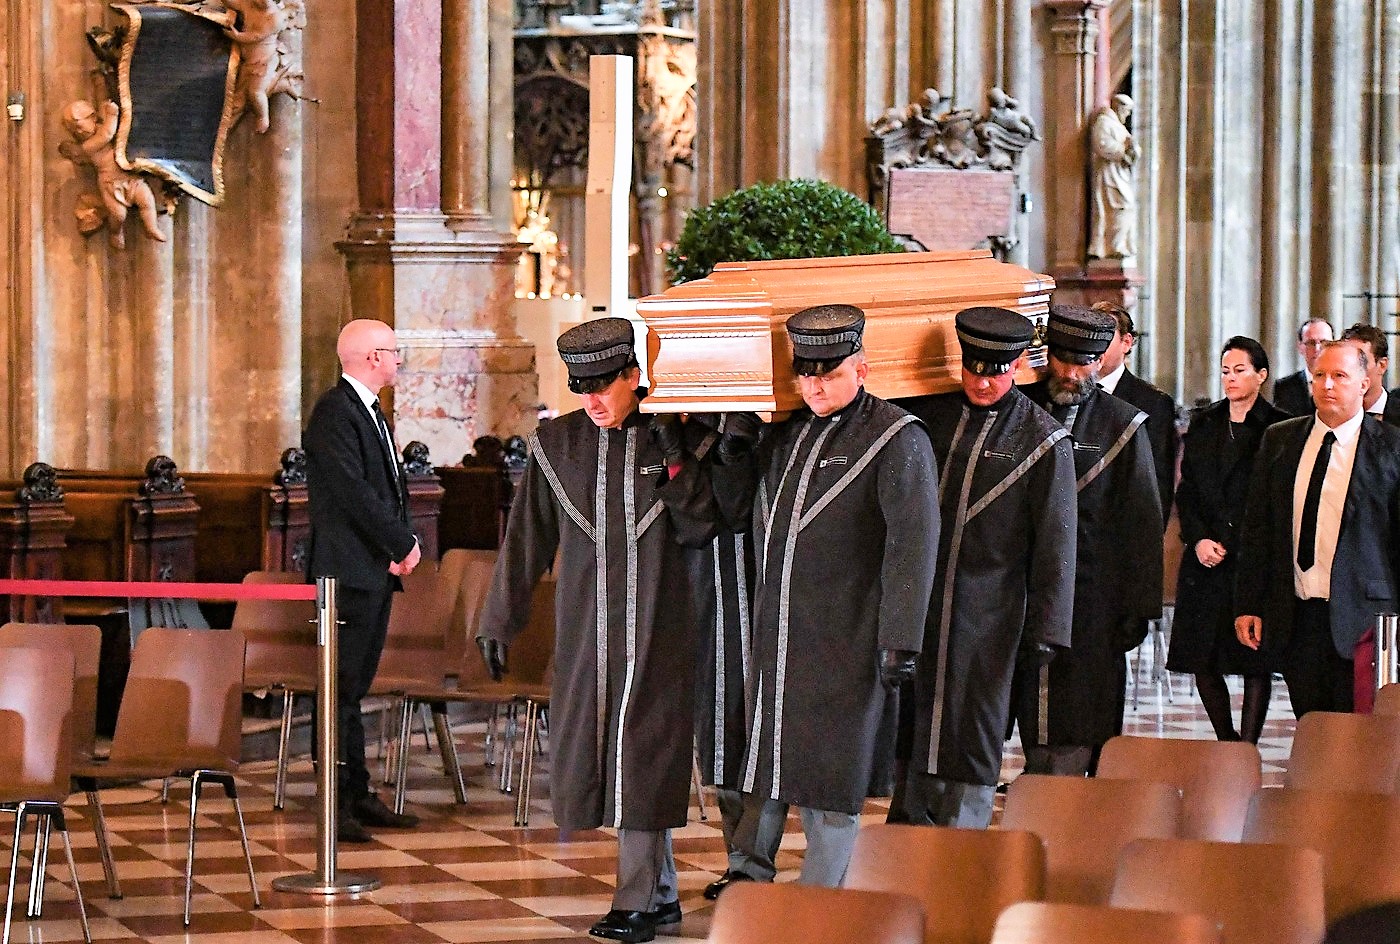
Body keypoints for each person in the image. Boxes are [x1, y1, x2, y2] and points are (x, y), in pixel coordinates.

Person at [475, 317, 717, 944]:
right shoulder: (558, 444)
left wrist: (674, 454)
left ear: (635, 377)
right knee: (598, 753)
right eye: (581, 387)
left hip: (664, 629)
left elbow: (700, 527)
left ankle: (634, 898)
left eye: (604, 386)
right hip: (587, 633)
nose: (593, 401)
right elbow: (526, 538)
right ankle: (660, 894)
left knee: (645, 755)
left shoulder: (679, 439)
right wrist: (500, 616)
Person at [709, 304, 939, 889]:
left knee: (832, 783)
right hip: (779, 641)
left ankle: (823, 902)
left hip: (849, 641)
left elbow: (913, 543)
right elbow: (736, 517)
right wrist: (734, 455)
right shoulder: (786, 436)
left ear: (861, 369)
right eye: (805, 373)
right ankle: (749, 881)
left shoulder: (897, 438)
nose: (814, 385)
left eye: (829, 373)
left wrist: (900, 638)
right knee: (767, 767)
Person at [895, 307, 1076, 826]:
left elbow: (1055, 545)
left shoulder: (1043, 441)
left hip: (990, 615)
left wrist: (1048, 628)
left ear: (1018, 365)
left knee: (972, 728)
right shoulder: (930, 417)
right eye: (972, 368)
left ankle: (963, 842)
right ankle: (910, 836)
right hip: (923, 607)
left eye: (994, 371)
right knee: (913, 725)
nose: (981, 381)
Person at [1020, 305, 1162, 774]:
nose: (1071, 372)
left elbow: (1140, 522)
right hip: (1026, 592)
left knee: (1084, 712)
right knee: (1033, 709)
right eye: (1063, 359)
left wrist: (1139, 607)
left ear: (1101, 360)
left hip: (1094, 598)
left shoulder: (1123, 424)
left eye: (1084, 361)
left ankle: (1071, 801)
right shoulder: (1023, 412)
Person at [1234, 341, 1400, 717]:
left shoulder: (1391, 448)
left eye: (1339, 376)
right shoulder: (1280, 439)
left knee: (1361, 738)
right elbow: (1258, 529)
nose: (1326, 385)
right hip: (1296, 616)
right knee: (1312, 728)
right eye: (1320, 375)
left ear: (1364, 383)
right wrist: (1248, 604)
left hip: (1365, 620)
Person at [303, 318, 422, 843]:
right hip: (345, 574)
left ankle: (358, 791)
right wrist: (400, 543)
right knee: (338, 690)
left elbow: (386, 489)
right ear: (372, 357)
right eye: (395, 351)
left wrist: (394, 549)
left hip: (369, 569)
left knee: (353, 689)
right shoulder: (335, 412)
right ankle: (337, 801)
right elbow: (353, 493)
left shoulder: (369, 411)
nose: (399, 359)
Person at [1166, 337, 1289, 743]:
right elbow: (1190, 490)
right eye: (1225, 371)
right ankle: (1226, 739)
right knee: (1202, 656)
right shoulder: (1204, 424)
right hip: (1205, 555)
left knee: (1255, 658)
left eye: (1239, 370)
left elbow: (1275, 497)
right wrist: (1198, 538)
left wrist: (1237, 544)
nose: (1230, 379)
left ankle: (1248, 745)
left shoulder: (1279, 426)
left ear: (1261, 375)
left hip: (1250, 558)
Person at [1092, 300, 1179, 521]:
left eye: (1105, 337)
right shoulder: (1070, 394)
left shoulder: (1153, 403)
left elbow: (1157, 485)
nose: (1096, 346)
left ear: (1126, 342)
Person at [60, 99, 166, 249]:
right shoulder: (88, 146)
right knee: (118, 214)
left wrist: (106, 108)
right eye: (74, 131)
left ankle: (151, 227)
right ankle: (115, 232)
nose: (78, 132)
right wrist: (112, 114)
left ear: (93, 117)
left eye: (79, 126)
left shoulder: (100, 126)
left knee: (146, 199)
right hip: (110, 183)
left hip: (129, 177)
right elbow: (107, 134)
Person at [1088, 94, 1138, 260]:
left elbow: (1129, 146)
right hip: (1109, 174)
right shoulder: (1104, 122)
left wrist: (1133, 149)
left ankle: (1118, 245)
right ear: (1119, 107)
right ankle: (1112, 246)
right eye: (1126, 111)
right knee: (1122, 205)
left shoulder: (1118, 126)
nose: (1127, 115)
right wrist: (1123, 151)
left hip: (1119, 172)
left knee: (1127, 207)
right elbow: (1101, 144)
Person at [1340, 323, 1400, 425]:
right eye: (1345, 362)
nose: (1350, 370)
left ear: (1382, 365)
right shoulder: (1329, 415)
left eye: (1361, 362)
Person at [1273, 317, 1334, 416]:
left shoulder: (1344, 382)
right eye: (1311, 343)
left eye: (1324, 342)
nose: (1317, 348)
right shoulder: (1285, 387)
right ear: (1300, 347)